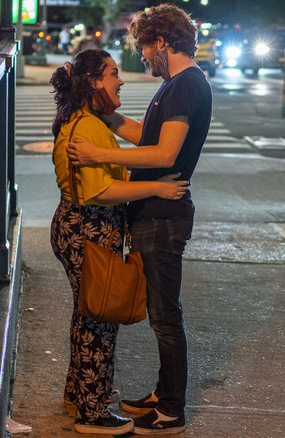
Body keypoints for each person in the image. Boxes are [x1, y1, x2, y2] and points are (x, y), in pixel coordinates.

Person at [66, 4, 212, 435]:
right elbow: (143, 134)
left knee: (165, 317)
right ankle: (162, 394)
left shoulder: (184, 86)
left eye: (146, 47)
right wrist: (100, 109)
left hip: (164, 217)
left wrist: (98, 153)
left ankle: (171, 411)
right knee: (161, 313)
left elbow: (164, 154)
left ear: (162, 42)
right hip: (157, 214)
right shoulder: (176, 85)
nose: (143, 57)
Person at [49, 49, 189, 435]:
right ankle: (92, 416)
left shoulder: (85, 118)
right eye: (113, 74)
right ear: (94, 81)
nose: (121, 79)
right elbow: (103, 189)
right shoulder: (88, 127)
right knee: (100, 320)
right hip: (88, 230)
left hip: (76, 227)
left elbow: (128, 149)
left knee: (88, 313)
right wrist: (158, 187)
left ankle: (79, 396)